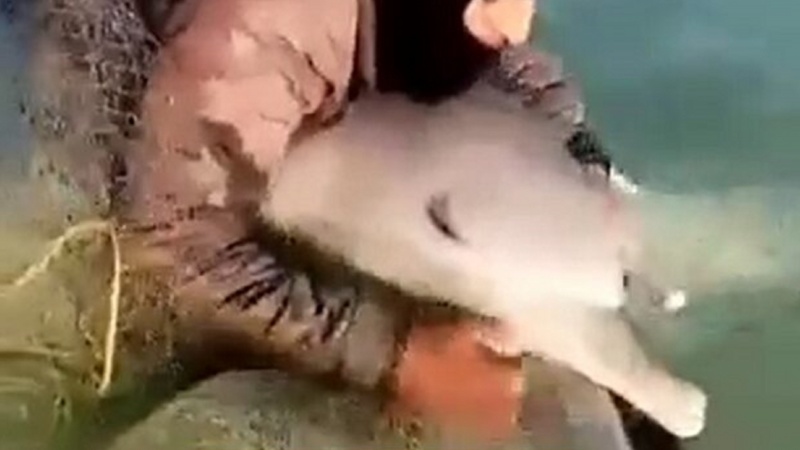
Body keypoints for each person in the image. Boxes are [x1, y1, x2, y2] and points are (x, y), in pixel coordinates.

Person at [23, 0, 669, 447]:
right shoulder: (266, 26)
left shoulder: (457, 24)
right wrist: (399, 358)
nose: (515, 20)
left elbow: (522, 67)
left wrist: (583, 160)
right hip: (82, 191)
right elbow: (170, 237)